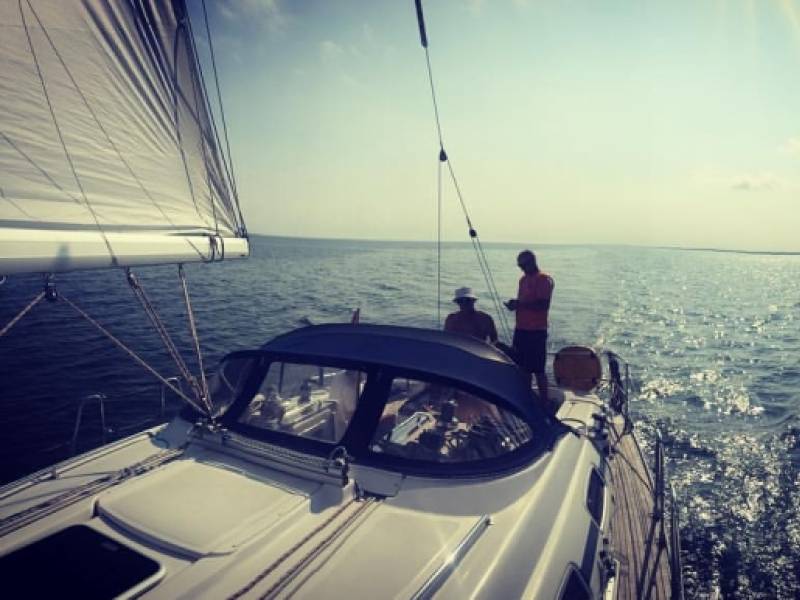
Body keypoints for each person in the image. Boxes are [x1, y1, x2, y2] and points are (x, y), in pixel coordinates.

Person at [504, 250, 554, 410]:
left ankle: (544, 402)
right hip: (521, 330)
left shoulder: (544, 280)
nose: (521, 268)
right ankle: (526, 399)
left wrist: (519, 304)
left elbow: (543, 305)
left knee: (538, 369)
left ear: (532, 262)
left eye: (523, 265)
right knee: (522, 368)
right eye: (519, 265)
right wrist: (514, 305)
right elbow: (525, 302)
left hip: (536, 331)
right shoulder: (523, 280)